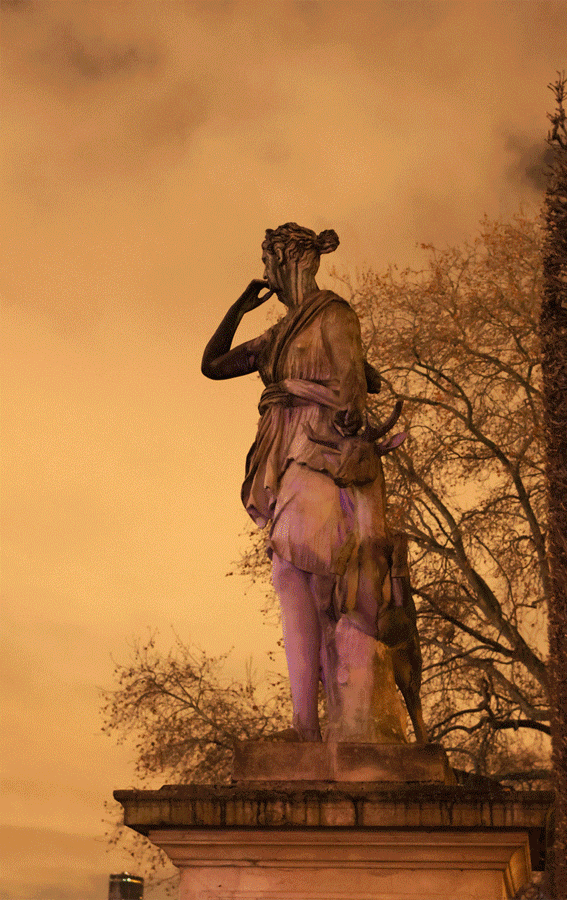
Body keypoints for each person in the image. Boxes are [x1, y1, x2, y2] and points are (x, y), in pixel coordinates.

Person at [202, 223, 424, 742]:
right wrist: (239, 305)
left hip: (320, 453)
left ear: (291, 261)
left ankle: (338, 722)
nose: (266, 274)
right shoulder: (278, 333)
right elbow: (213, 366)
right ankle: (308, 725)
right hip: (284, 455)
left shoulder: (335, 315)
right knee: (296, 581)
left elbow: (350, 390)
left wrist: (305, 397)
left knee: (306, 576)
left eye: (268, 261)